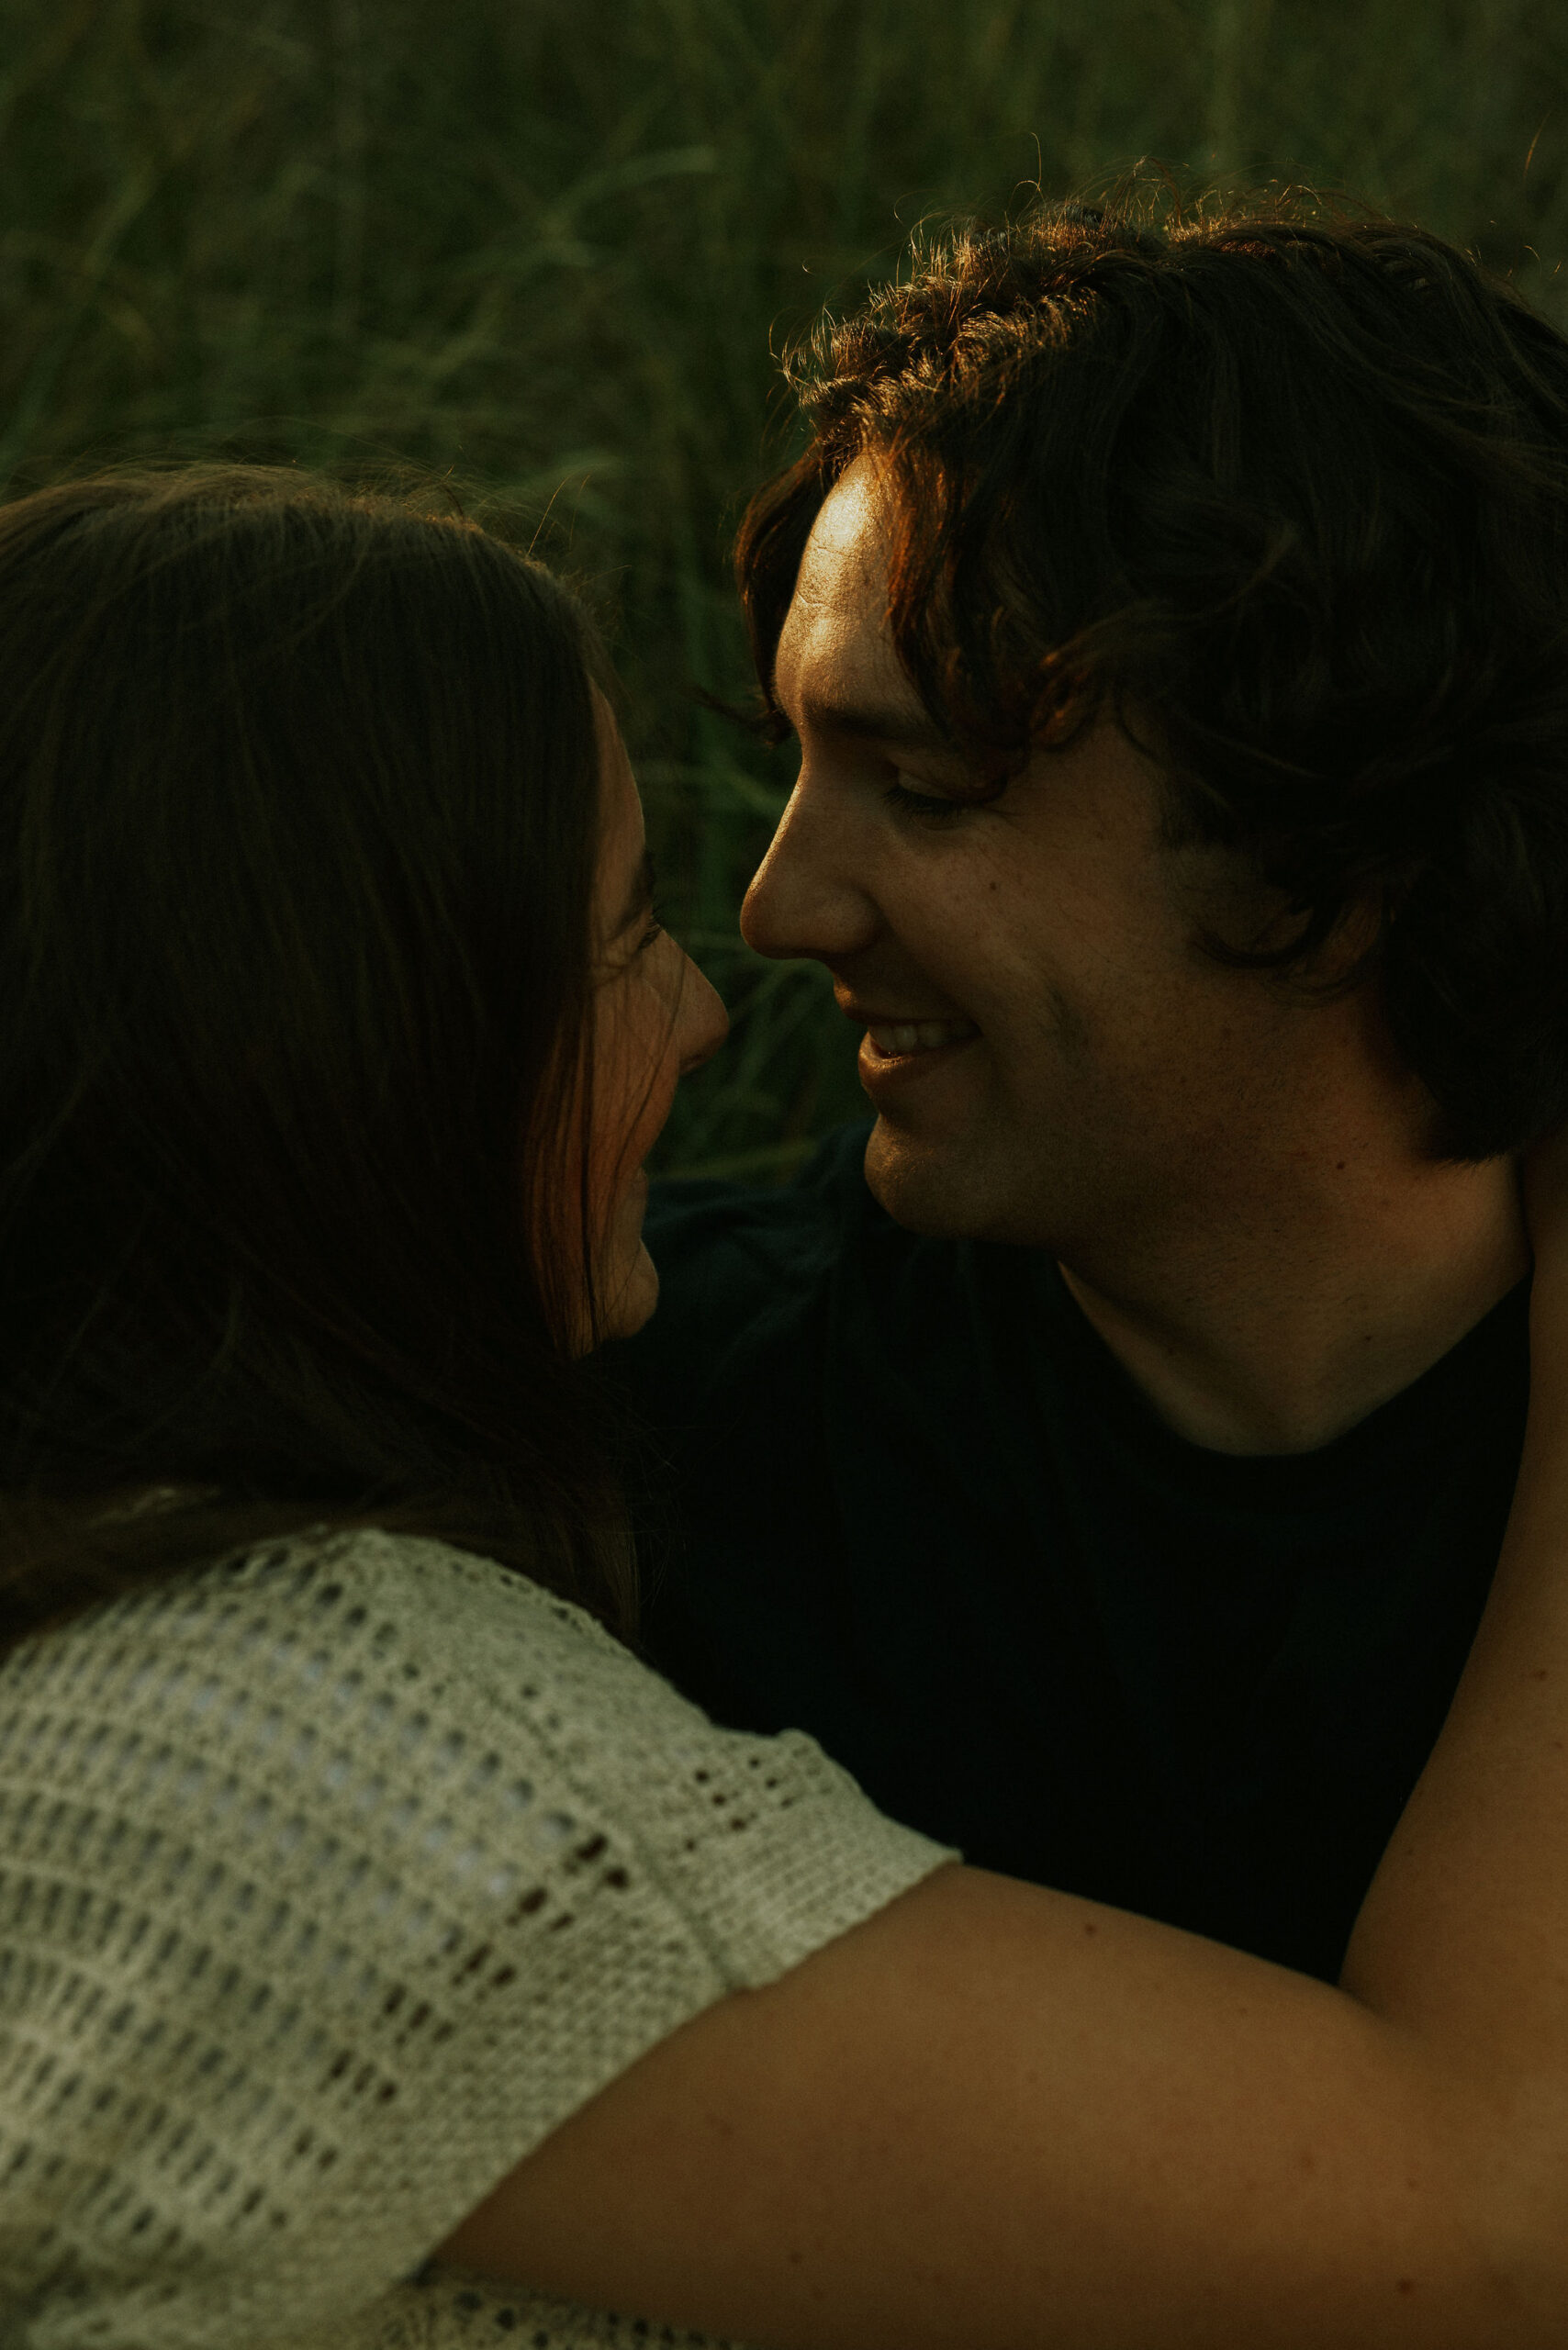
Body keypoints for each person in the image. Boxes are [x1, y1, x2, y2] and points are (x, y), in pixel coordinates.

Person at [3, 464, 1568, 2350]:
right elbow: (1473, 2226)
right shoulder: (308, 1771)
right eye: (608, 936)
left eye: (921, 786)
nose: (713, 989)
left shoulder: (130, 1634)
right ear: (335, 1056)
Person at [608, 180, 1568, 1986]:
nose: (777, 903)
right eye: (802, 760)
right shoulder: (656, 1451)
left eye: (925, 785)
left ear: (1329, 841)